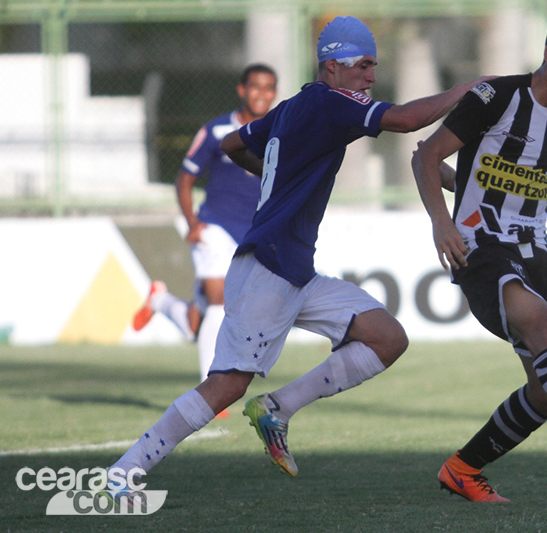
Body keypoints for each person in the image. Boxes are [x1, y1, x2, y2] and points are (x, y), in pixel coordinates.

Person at [105, 16, 490, 500]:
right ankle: (126, 469)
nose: (371, 76)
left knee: (387, 338)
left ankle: (278, 408)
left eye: (374, 66)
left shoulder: (295, 106)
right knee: (226, 386)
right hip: (268, 266)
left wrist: (274, 174)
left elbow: (231, 144)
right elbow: (408, 120)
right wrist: (469, 87)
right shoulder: (330, 103)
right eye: (364, 65)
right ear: (333, 66)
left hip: (291, 269)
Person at [411, 10, 547, 502]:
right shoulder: (496, 98)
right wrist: (443, 223)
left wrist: (467, 186)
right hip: (482, 245)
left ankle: (463, 469)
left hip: (536, 249)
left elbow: (502, 179)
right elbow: (426, 155)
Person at [132, 64, 279, 391]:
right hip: (214, 225)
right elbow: (185, 179)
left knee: (196, 324)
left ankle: (161, 302)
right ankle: (210, 389)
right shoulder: (215, 131)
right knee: (218, 303)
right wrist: (193, 223)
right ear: (242, 90)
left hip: (252, 234)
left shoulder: (277, 133)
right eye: (255, 86)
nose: (262, 93)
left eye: (269, 88)